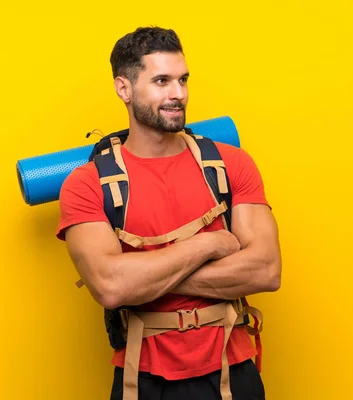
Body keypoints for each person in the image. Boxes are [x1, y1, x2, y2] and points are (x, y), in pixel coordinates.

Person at [56, 26, 282, 400]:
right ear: (124, 89)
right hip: (142, 378)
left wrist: (141, 278)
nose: (178, 94)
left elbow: (267, 270)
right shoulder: (87, 184)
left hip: (231, 370)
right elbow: (111, 287)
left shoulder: (230, 164)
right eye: (161, 81)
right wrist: (209, 245)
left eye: (182, 80)